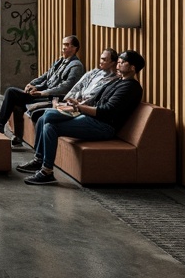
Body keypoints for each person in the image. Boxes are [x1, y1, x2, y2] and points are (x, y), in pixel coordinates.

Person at [18, 50, 146, 185]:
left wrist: (79, 108)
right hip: (91, 118)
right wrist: (76, 104)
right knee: (47, 115)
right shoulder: (118, 81)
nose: (118, 64)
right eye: (118, 61)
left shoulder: (131, 87)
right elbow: (97, 100)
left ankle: (46, 171)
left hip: (103, 126)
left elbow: (107, 111)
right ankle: (40, 162)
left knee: (51, 127)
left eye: (122, 62)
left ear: (132, 68)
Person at [0, 35, 84, 146]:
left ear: (75, 48)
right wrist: (33, 85)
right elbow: (45, 77)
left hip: (53, 98)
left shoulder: (76, 66)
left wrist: (42, 92)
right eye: (63, 44)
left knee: (12, 92)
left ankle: (1, 126)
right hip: (42, 93)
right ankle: (5, 128)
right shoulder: (60, 61)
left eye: (67, 45)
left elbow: (67, 87)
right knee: (14, 96)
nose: (64, 47)